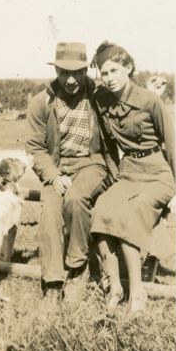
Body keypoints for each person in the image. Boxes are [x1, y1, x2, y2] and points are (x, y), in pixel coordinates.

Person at [26, 42, 119, 308]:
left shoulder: (99, 96)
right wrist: (53, 175)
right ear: (55, 69)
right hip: (57, 167)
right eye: (63, 72)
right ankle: (54, 283)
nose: (69, 80)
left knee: (76, 199)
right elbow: (34, 148)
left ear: (85, 71)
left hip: (91, 164)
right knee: (51, 209)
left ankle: (77, 271)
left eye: (76, 72)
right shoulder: (40, 103)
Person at [90, 41, 176, 315]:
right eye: (104, 73)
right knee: (102, 208)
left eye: (115, 70)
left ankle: (137, 293)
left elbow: (172, 144)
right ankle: (115, 286)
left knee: (129, 214)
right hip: (128, 173)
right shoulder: (102, 99)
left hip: (157, 174)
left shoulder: (149, 100)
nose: (110, 78)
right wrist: (117, 175)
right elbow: (106, 145)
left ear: (128, 68)